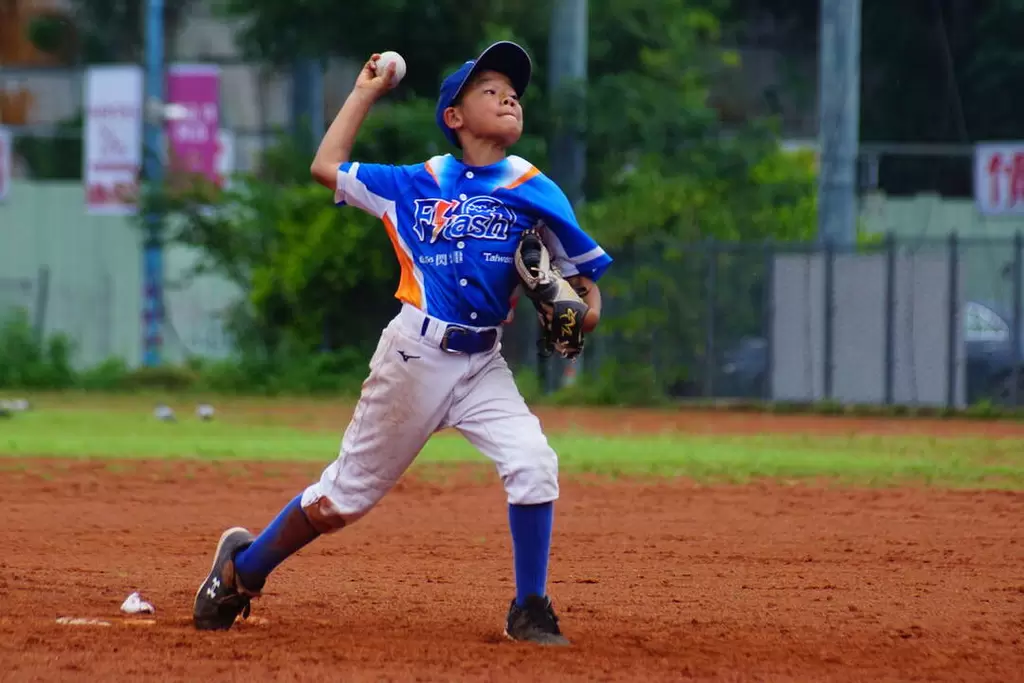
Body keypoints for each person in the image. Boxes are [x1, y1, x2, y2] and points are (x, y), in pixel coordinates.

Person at [192, 40, 612, 646]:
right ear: (455, 118)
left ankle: (530, 608)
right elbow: (325, 166)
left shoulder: (535, 188)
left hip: (483, 363)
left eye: (514, 91)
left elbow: (584, 287)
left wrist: (578, 313)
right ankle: (242, 570)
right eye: (490, 90)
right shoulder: (417, 182)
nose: (509, 97)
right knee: (342, 499)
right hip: (414, 356)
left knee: (533, 463)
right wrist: (366, 90)